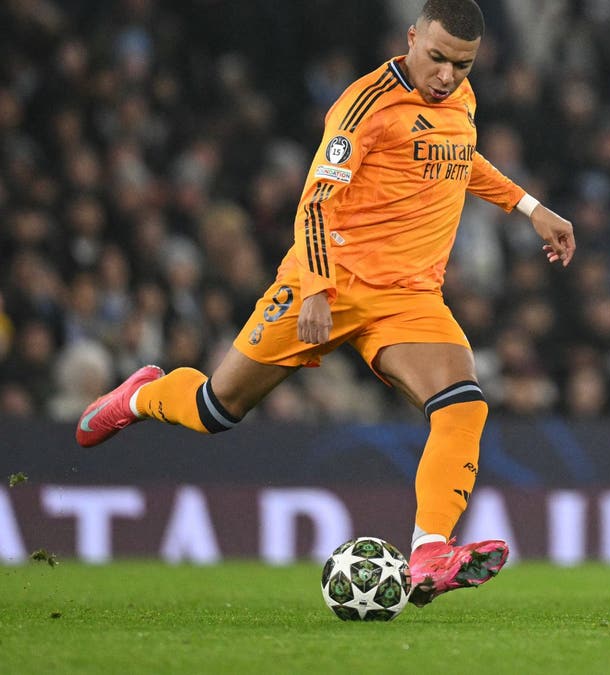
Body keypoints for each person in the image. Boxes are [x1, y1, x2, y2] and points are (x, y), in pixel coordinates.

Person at [76, 0, 575, 608]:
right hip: (329, 280)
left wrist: (530, 208)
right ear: (411, 37)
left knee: (463, 404)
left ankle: (430, 551)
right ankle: (140, 395)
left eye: (462, 66)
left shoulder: (459, 103)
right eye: (438, 58)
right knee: (216, 409)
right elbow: (315, 204)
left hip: (408, 297)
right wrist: (315, 287)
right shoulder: (363, 106)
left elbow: (460, 161)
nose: (446, 76)